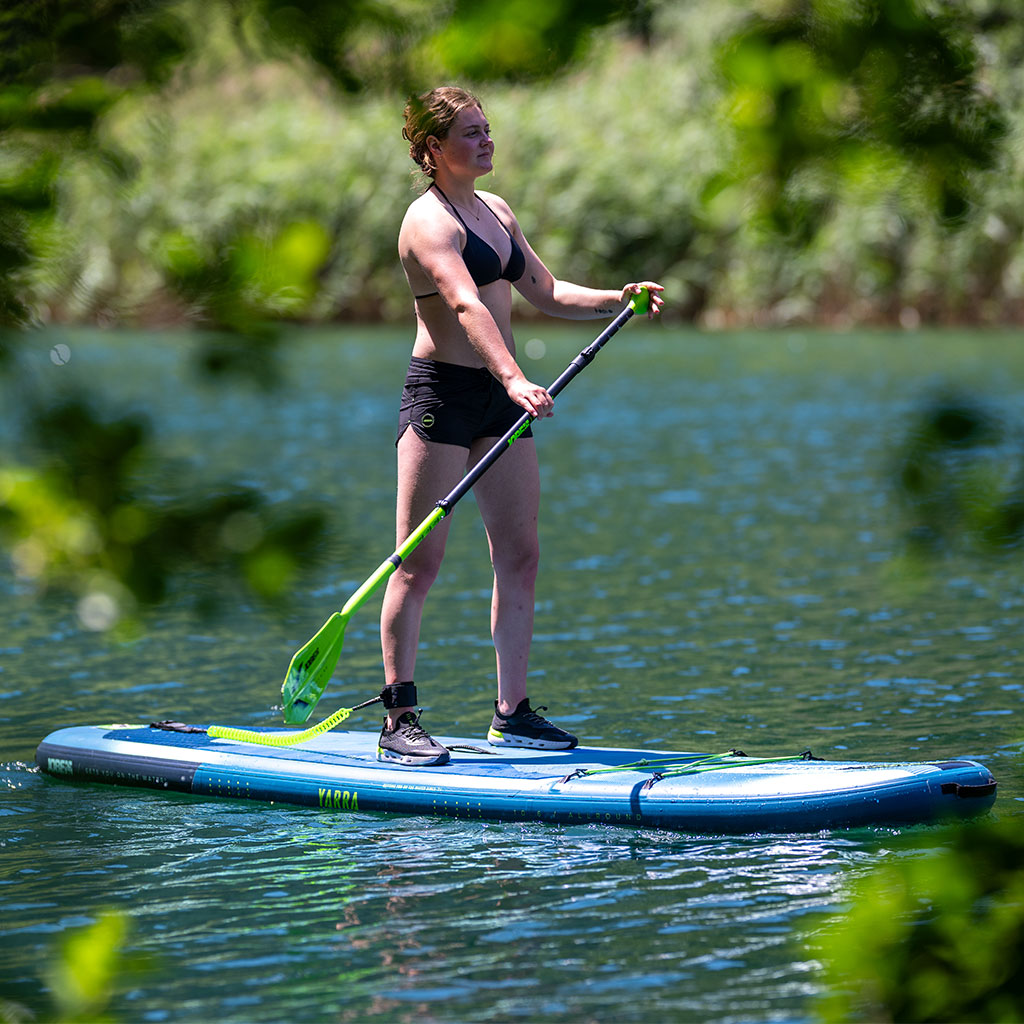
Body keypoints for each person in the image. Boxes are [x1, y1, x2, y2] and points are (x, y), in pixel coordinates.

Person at [377, 85, 664, 766]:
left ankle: (511, 713)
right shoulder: (427, 224)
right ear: (433, 150)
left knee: (520, 553)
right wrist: (512, 376)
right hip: (445, 398)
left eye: (487, 129)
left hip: (504, 396)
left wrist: (615, 299)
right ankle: (399, 719)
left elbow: (546, 290)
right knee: (419, 563)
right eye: (470, 134)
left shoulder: (496, 211)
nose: (485, 141)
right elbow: (467, 306)